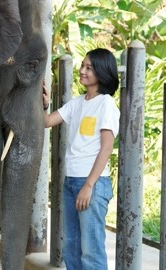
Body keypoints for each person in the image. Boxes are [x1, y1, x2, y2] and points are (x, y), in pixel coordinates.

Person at [43, 48, 120, 270]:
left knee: (91, 251)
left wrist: (88, 186)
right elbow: (47, 121)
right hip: (71, 182)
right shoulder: (78, 103)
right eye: (83, 66)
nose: (82, 71)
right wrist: (45, 104)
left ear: (102, 73)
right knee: (71, 248)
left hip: (92, 185)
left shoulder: (106, 104)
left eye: (89, 68)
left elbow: (106, 149)